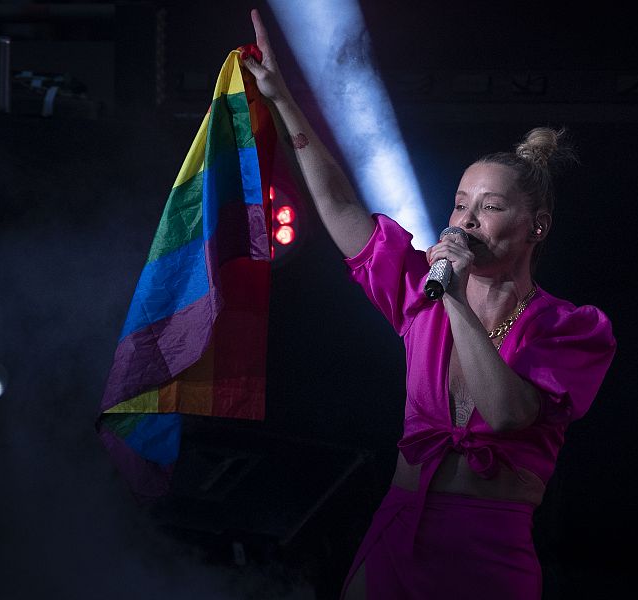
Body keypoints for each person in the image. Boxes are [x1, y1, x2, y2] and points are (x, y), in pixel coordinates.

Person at [242, 9, 616, 599]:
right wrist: (283, 99)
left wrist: (456, 301)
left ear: (536, 227)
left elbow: (510, 414)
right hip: (399, 525)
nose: (467, 219)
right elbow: (340, 205)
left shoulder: (571, 327)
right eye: (461, 203)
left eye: (490, 207)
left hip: (487, 549)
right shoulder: (421, 290)